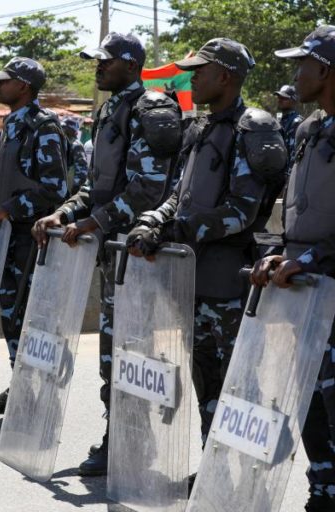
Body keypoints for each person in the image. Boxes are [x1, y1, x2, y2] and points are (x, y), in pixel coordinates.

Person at [126, 38, 286, 469]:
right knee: (205, 382)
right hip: (191, 281)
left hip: (230, 283)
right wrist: (153, 221)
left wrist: (179, 228)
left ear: (226, 77)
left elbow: (241, 211)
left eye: (201, 70)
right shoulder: (199, 127)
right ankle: (216, 467)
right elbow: (179, 194)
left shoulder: (251, 128)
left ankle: (248, 471)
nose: (192, 77)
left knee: (241, 385)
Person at [31, 32, 183, 476]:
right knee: (114, 351)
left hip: (140, 251)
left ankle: (139, 442)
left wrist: (93, 222)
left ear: (132, 65)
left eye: (106, 61)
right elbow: (95, 185)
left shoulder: (151, 107)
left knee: (137, 352)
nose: (97, 68)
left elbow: (148, 188)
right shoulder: (111, 108)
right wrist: (64, 213)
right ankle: (121, 438)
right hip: (112, 251)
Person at [0, 57, 69, 413]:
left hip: (31, 240)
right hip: (8, 238)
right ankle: (22, 387)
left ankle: (35, 394)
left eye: (5, 81)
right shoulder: (13, 126)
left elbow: (54, 189)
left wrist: (6, 210)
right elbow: (1, 184)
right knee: (12, 317)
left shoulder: (43, 125)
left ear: (23, 86)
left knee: (30, 318)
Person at [251, 26, 335, 512]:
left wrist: (310, 259)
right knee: (310, 404)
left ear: (324, 69)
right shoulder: (308, 129)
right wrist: (281, 251)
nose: (294, 74)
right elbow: (299, 211)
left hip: (329, 284)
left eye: (301, 64)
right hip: (304, 292)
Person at [273, 84, 303, 174]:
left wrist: (288, 179)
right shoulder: (280, 120)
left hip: (287, 175)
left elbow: (294, 155)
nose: (280, 100)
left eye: (284, 98)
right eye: (279, 97)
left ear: (293, 100)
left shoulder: (296, 122)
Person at [61, 116, 89, 194]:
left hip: (71, 186)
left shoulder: (76, 145)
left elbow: (82, 167)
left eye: (65, 127)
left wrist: (76, 185)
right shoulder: (62, 142)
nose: (63, 129)